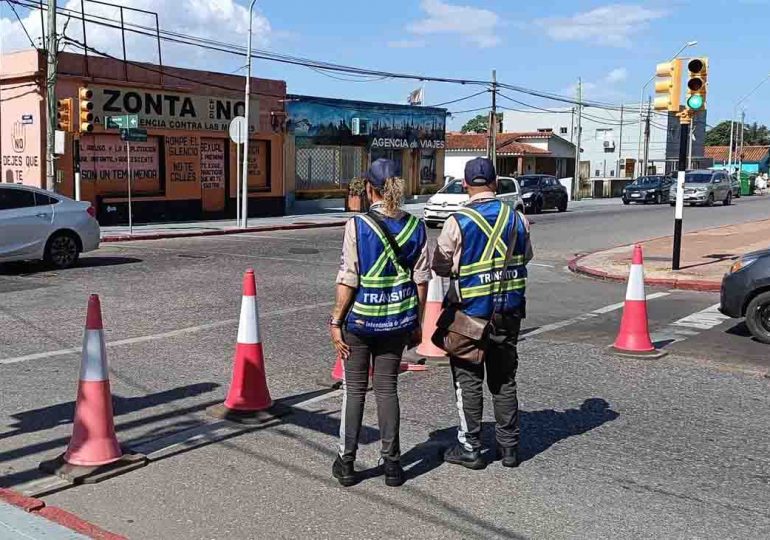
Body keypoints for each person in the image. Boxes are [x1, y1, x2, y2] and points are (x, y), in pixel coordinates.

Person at [329, 158, 430, 487]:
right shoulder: (417, 227)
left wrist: (335, 321)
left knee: (355, 390)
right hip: (398, 322)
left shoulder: (357, 226)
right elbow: (422, 281)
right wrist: (418, 322)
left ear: (368, 188)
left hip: (360, 324)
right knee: (388, 390)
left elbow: (348, 279)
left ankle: (346, 463)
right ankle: (393, 465)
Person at [432, 157, 532, 470]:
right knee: (504, 379)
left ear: (465, 185)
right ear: (495, 181)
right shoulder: (517, 218)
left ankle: (470, 448)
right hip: (509, 312)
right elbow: (526, 256)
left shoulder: (457, 221)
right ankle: (510, 448)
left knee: (468, 379)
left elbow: (440, 263)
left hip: (469, 317)